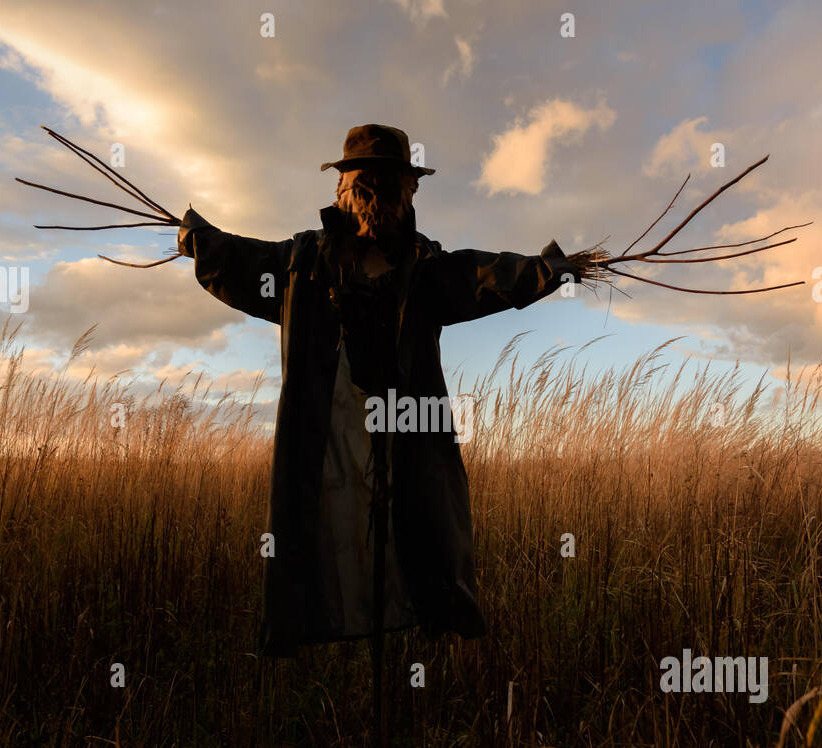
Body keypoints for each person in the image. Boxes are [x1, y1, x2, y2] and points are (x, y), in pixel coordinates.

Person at [177, 124, 582, 659]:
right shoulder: (301, 266)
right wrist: (199, 237)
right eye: (365, 185)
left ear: (408, 193)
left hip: (408, 444)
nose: (376, 198)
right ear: (341, 190)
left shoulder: (425, 269)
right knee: (325, 533)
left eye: (390, 186)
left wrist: (550, 269)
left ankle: (423, 618)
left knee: (423, 530)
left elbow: (485, 276)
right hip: (332, 448)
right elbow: (239, 259)